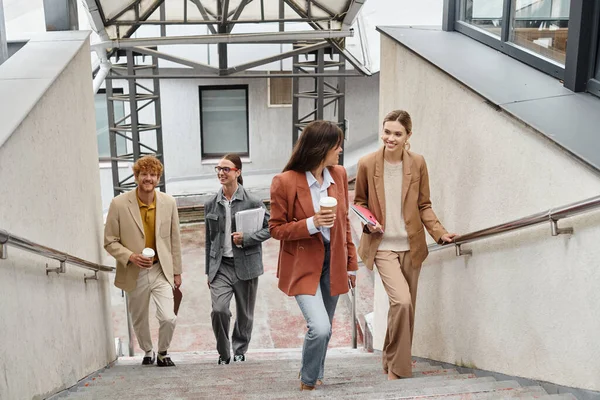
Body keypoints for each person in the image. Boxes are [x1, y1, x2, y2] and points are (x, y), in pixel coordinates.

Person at [354, 110, 457, 380]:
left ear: (408, 136)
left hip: (412, 246)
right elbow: (360, 203)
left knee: (404, 309)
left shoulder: (418, 163)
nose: (390, 138)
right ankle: (399, 371)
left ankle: (390, 359)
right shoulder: (366, 164)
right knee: (402, 302)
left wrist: (440, 233)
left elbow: (424, 205)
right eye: (387, 132)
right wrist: (369, 223)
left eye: (397, 134)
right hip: (383, 246)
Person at [269, 120, 358, 391]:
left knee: (327, 326)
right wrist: (312, 223)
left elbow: (343, 221)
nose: (340, 150)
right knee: (319, 327)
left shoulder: (338, 175)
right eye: (336, 145)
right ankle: (307, 381)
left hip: (335, 261)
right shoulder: (284, 182)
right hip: (303, 263)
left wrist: (352, 264)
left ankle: (316, 374)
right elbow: (275, 228)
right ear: (321, 148)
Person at [104, 155, 182, 367]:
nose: (149, 178)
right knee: (139, 319)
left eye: (153, 174)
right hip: (133, 271)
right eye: (144, 174)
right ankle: (148, 350)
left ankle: (163, 352)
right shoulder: (119, 204)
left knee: (168, 317)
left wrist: (177, 272)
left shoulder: (169, 202)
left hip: (160, 269)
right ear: (136, 176)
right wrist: (130, 256)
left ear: (158, 178)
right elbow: (110, 241)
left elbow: (175, 239)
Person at [204, 153, 270, 365]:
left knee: (245, 314)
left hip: (246, 265)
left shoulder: (253, 201)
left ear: (238, 172)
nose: (221, 173)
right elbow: (209, 239)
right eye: (219, 169)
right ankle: (223, 353)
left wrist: (248, 238)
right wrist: (209, 270)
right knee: (219, 310)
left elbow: (270, 228)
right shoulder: (211, 204)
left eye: (226, 169)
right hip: (220, 266)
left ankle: (240, 349)